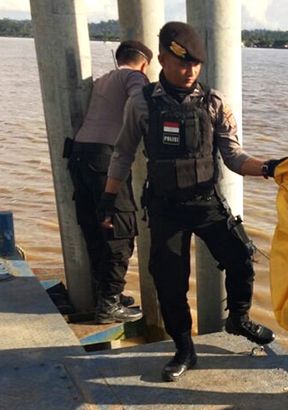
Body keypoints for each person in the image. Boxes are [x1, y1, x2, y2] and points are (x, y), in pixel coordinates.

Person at [100, 21, 277, 382]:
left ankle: (238, 319)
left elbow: (234, 156)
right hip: (165, 207)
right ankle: (183, 348)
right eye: (182, 63)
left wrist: (272, 168)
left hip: (205, 203)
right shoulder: (142, 103)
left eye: (196, 64)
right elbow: (122, 154)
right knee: (169, 281)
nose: (190, 71)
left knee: (242, 258)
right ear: (162, 58)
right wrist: (107, 199)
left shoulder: (214, 102)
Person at [68, 40, 152, 324]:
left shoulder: (103, 79)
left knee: (95, 229)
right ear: (145, 63)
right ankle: (108, 304)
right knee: (121, 232)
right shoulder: (134, 76)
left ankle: (106, 294)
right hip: (105, 159)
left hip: (80, 156)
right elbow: (140, 100)